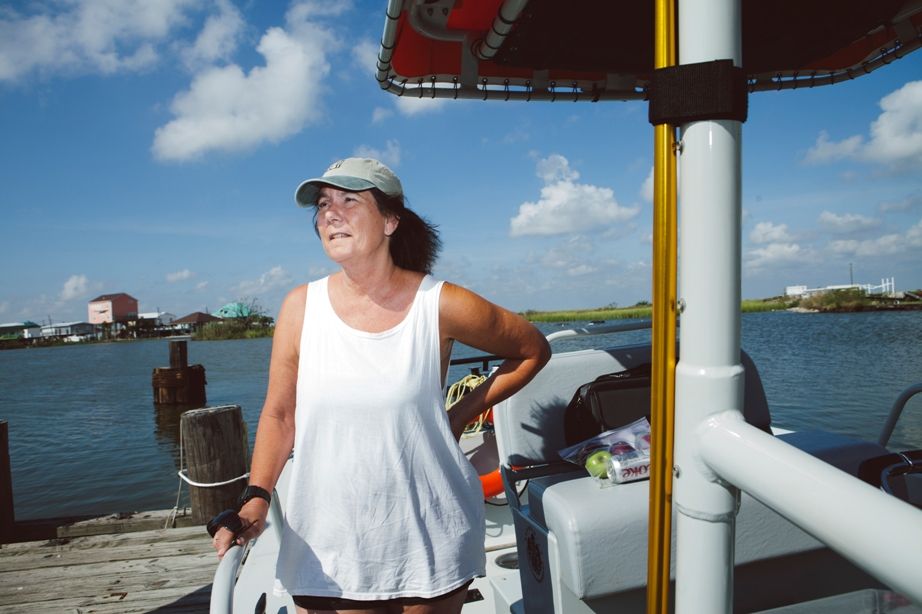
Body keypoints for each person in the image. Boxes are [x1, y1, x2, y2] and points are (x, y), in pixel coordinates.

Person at [211, 157, 551, 613]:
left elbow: (532, 350)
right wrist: (256, 497)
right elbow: (280, 414)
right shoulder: (299, 307)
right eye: (323, 204)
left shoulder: (441, 303)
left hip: (429, 534)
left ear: (390, 220)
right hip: (328, 543)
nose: (330, 213)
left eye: (350, 200)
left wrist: (460, 414)